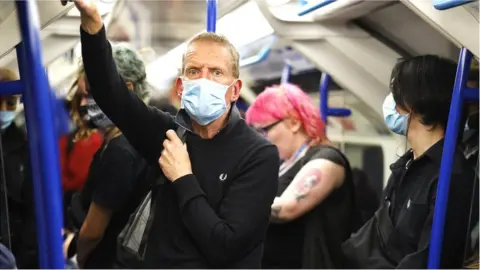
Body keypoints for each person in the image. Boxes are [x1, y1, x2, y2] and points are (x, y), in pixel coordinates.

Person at [71, 0, 279, 268]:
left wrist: (183, 178)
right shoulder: (169, 135)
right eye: (194, 71)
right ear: (182, 86)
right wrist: (93, 26)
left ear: (235, 90)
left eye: (216, 72)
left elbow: (225, 246)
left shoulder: (258, 155)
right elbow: (114, 97)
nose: (204, 81)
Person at [342, 55, 476, 268]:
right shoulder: (405, 166)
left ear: (416, 103)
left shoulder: (452, 176)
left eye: (397, 95)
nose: (390, 103)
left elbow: (426, 260)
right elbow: (372, 239)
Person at [245, 83, 355, 269]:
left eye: (265, 130)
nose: (261, 139)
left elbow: (287, 208)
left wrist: (233, 201)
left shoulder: (326, 160)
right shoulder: (284, 163)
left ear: (294, 122)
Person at [72, 44, 153, 268]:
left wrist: (79, 257)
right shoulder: (140, 137)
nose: (83, 103)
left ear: (125, 88)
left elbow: (93, 231)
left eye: (90, 93)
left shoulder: (121, 150)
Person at [0, 68, 37, 269]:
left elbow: (32, 203)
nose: (4, 109)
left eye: (10, 103)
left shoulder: (24, 144)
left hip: (17, 244)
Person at [60, 66, 103, 230]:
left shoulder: (107, 141)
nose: (84, 104)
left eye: (89, 96)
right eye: (81, 98)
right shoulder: (69, 141)